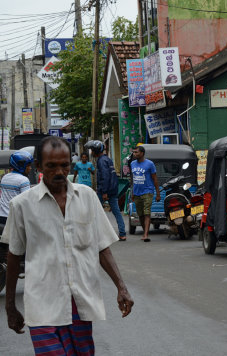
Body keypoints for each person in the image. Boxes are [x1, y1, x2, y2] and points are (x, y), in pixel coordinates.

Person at [2, 136, 134, 353]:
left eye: (64, 165)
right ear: (38, 167)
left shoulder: (87, 197)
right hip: (41, 302)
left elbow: (101, 246)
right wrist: (10, 307)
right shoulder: (22, 206)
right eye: (51, 166)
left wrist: (121, 287)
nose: (59, 172)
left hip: (79, 302)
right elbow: (14, 256)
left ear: (70, 165)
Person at [85, 140, 126, 241]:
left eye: (92, 150)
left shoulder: (101, 161)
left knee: (94, 211)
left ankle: (94, 234)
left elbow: (105, 176)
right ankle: (122, 233)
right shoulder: (107, 159)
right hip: (112, 190)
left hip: (105, 190)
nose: (91, 152)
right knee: (116, 212)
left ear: (96, 151)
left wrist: (104, 192)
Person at [129, 145, 159, 243]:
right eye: (134, 152)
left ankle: (146, 234)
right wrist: (132, 192)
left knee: (147, 213)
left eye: (136, 152)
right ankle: (144, 232)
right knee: (140, 214)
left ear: (142, 153)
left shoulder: (150, 164)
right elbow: (132, 179)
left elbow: (155, 179)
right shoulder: (132, 164)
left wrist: (157, 193)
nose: (134, 154)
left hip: (147, 191)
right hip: (137, 192)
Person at [0, 150, 33, 226]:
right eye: (28, 165)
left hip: (2, 217)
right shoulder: (24, 180)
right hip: (14, 219)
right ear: (21, 166)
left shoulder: (5, 177)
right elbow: (26, 202)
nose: (30, 168)